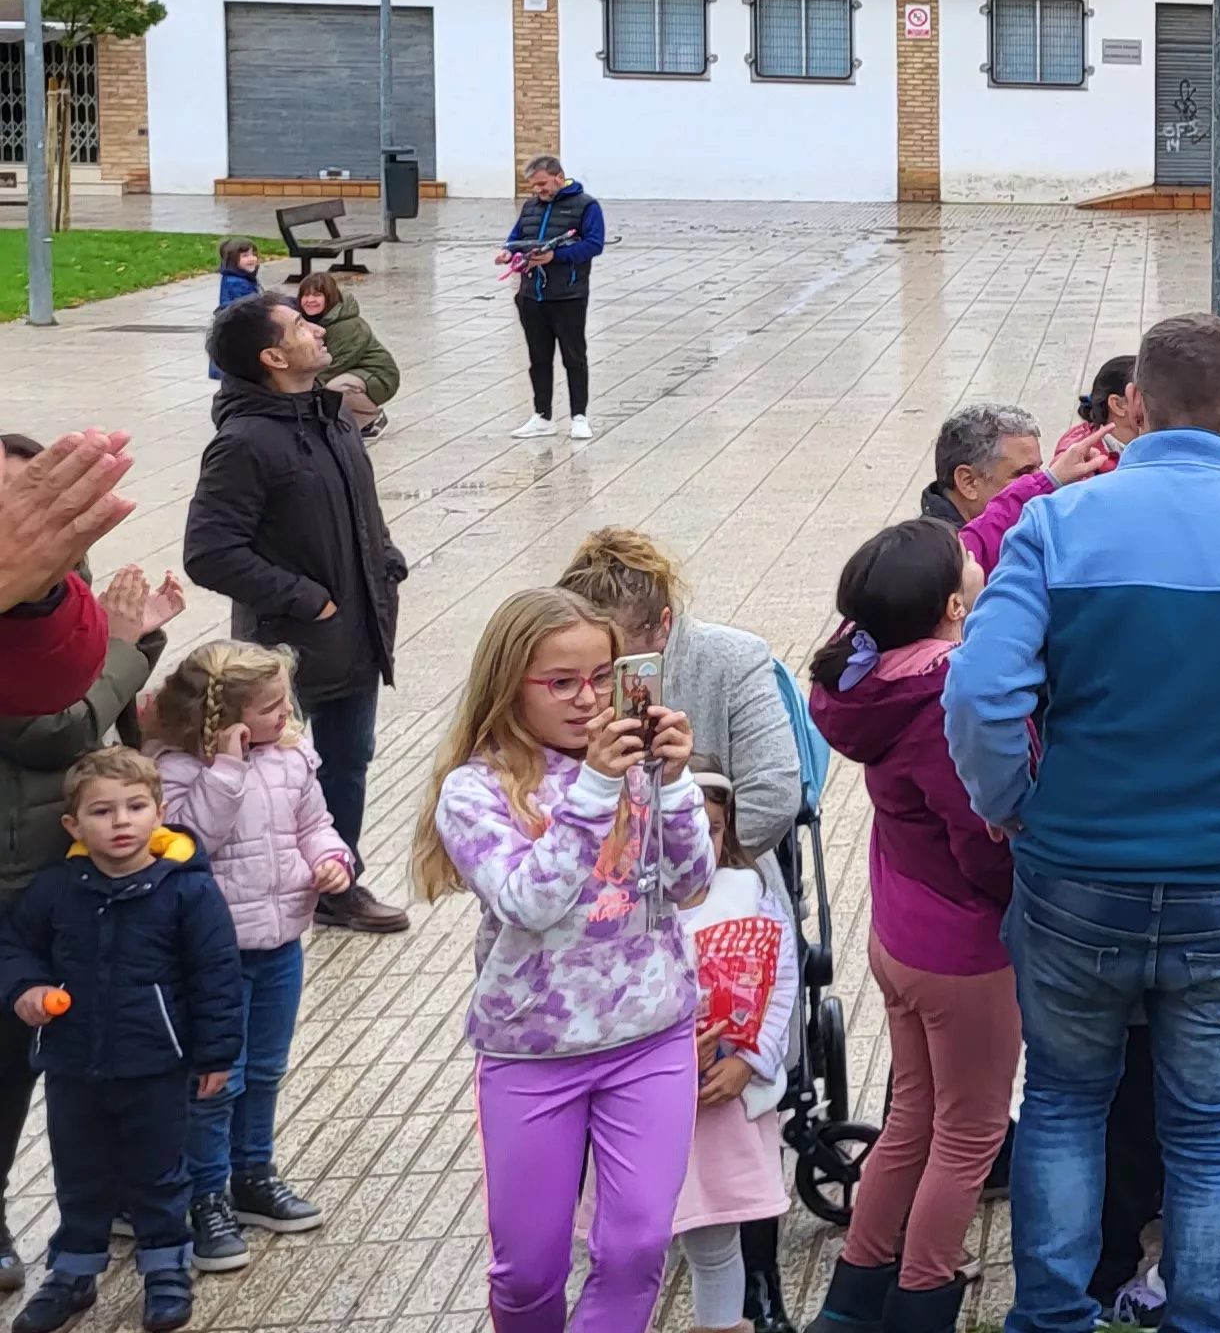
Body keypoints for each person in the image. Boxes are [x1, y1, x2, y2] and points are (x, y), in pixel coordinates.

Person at [944, 313, 1220, 1333]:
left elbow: (978, 698)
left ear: (1135, 406)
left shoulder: (1058, 527)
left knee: (1065, 1105)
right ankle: (1204, 1317)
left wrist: (1009, 804)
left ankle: (1053, 1317)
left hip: (1074, 870)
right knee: (1211, 1128)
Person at [418, 587, 716, 1333]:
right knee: (528, 1270)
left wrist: (675, 784)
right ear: (507, 684)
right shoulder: (475, 789)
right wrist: (594, 791)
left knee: (636, 1246)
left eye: (603, 677)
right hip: (532, 1050)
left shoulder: (638, 766)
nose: (588, 701)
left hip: (650, 1035)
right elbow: (528, 900)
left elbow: (691, 883)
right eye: (560, 683)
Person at [806, 520, 1019, 1333]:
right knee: (968, 1136)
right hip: (963, 952)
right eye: (966, 564)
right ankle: (923, 1300)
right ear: (954, 606)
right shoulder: (943, 698)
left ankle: (854, 1296)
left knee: (912, 1119)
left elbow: (951, 549)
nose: (976, 554)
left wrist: (1044, 485)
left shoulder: (865, 675)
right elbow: (980, 837)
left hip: (900, 935)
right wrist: (1022, 895)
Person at [183, 295, 408, 937]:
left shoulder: (331, 417)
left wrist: (386, 561)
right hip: (288, 648)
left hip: (358, 630)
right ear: (273, 357)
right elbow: (210, 553)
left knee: (347, 760)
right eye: (300, 326)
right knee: (273, 774)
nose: (316, 329)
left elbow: (359, 512)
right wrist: (307, 598)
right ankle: (252, 897)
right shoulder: (245, 442)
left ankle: (338, 882)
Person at [0, 745, 240, 1333]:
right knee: (78, 1171)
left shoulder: (186, 889)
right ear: (72, 825)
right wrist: (26, 989)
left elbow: (217, 975)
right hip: (72, 1065)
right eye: (103, 812)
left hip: (156, 1063)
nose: (122, 822)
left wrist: (215, 1053)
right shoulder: (57, 888)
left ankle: (165, 1267)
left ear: (159, 812)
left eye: (136, 807)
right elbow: (14, 946)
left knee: (158, 1171)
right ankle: (73, 1272)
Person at [0, 479, 171, 1295]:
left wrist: (127, 642)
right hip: (17, 879)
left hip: (78, 866)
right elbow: (55, 725)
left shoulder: (62, 606)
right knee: (7, 1062)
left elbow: (101, 725)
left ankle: (128, 1201)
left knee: (91, 1050)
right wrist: (130, 646)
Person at [142, 641, 341, 1279]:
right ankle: (206, 1192)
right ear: (223, 719)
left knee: (265, 1069)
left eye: (285, 701)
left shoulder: (289, 758)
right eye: (270, 706)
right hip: (212, 956)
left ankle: (254, 1173)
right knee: (213, 1078)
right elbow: (192, 842)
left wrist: (331, 859)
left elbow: (314, 822)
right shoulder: (174, 770)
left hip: (280, 940)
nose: (286, 714)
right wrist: (225, 771)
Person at [558, 530, 803, 869]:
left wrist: (675, 864)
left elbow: (772, 798)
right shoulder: (557, 672)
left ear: (663, 625)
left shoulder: (733, 660)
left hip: (719, 880)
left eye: (617, 661)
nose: (597, 680)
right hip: (583, 879)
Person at [670, 780, 800, 1333]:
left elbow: (781, 981)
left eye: (714, 828)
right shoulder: (630, 906)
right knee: (633, 1245)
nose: (700, 841)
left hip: (722, 1105)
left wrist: (750, 1058)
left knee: (717, 1240)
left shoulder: (747, 895)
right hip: (650, 1106)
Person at [0, 428, 136, 714]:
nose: (23, 522)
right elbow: (61, 733)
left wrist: (35, 601)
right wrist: (123, 645)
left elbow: (46, 688)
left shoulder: (62, 591)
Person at [505, 156, 608, 442]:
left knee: (574, 357)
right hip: (531, 296)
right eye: (533, 186)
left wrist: (555, 257)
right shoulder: (530, 207)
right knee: (538, 359)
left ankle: (579, 417)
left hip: (568, 296)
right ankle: (542, 416)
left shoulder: (587, 206)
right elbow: (515, 237)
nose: (538, 190)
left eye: (542, 183)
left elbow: (594, 245)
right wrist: (508, 253)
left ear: (559, 177)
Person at [291, 272, 399, 439]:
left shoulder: (348, 326)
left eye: (317, 295)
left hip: (377, 374)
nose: (310, 300)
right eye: (306, 295)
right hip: (350, 370)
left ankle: (371, 418)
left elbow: (333, 366)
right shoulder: (310, 319)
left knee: (333, 388)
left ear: (330, 297)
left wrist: (296, 388)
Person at [924, 404, 1044, 528]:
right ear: (969, 482)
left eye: (1040, 472)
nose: (1044, 488)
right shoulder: (936, 546)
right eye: (1023, 474)